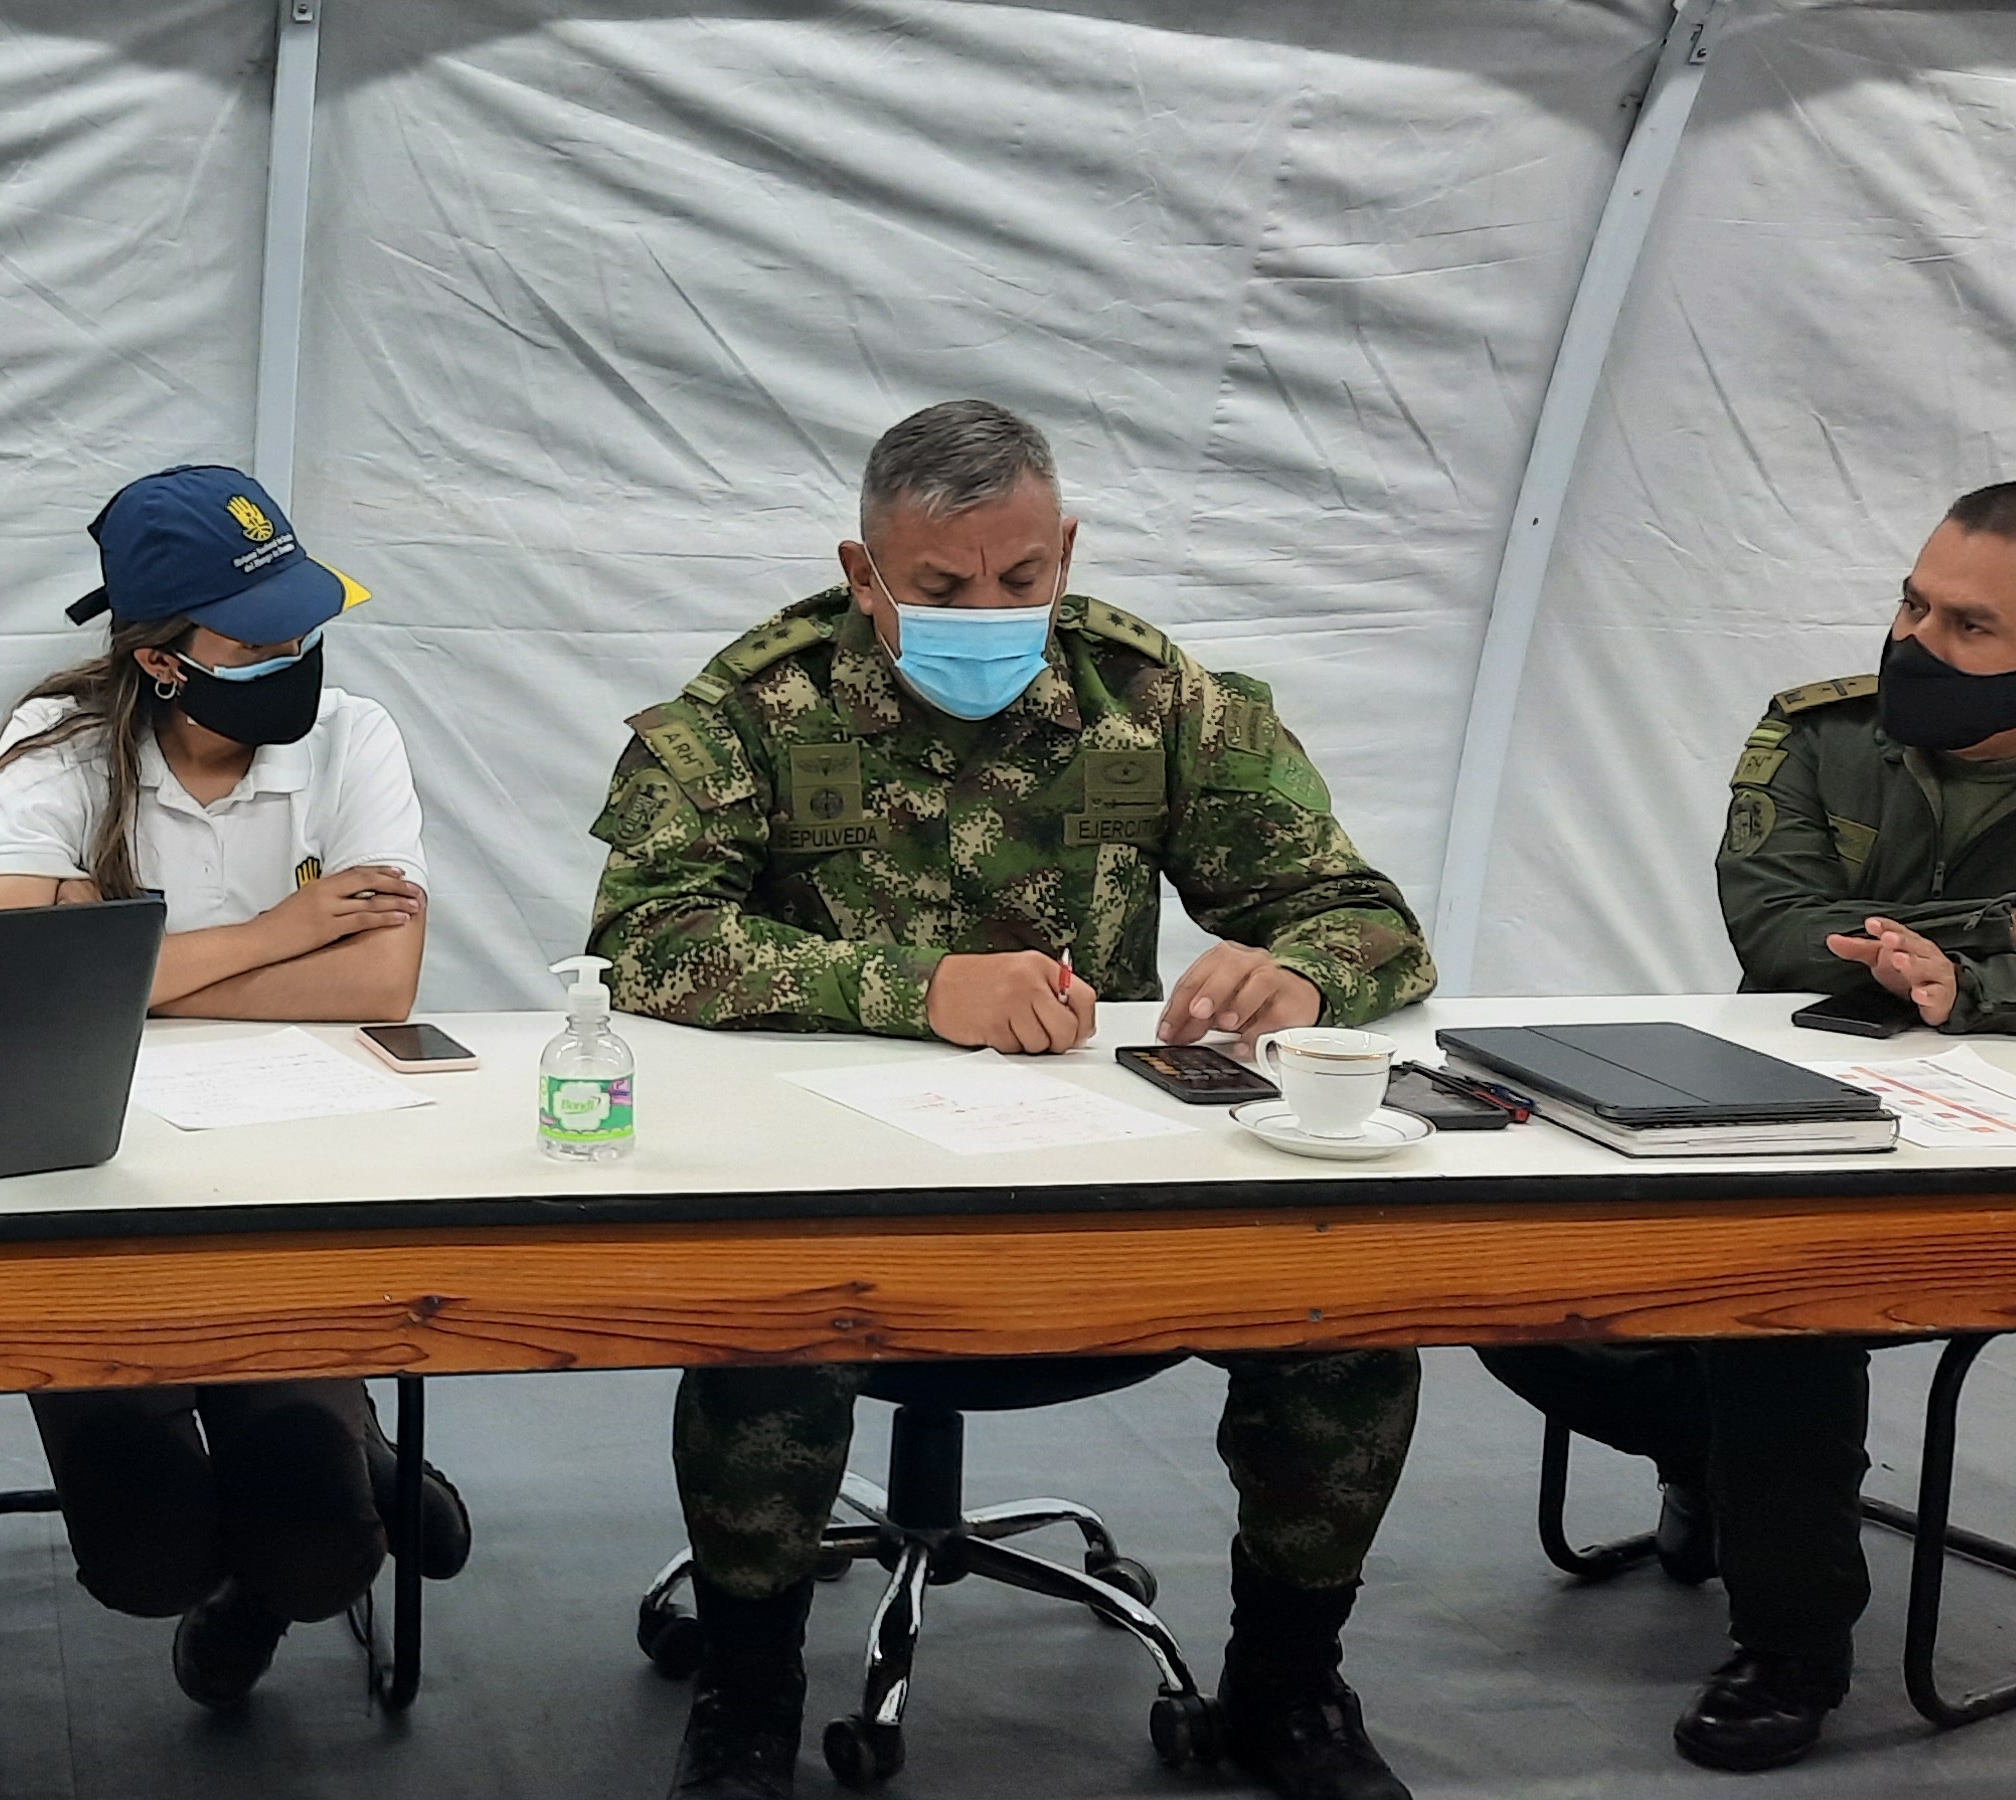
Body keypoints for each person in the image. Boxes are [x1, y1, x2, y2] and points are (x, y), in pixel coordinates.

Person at [585, 401, 1437, 1800]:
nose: (988, 612)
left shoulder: (1147, 697)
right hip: (837, 1178)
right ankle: (747, 1697)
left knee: (1344, 1324)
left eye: (1021, 577)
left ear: (1067, 553)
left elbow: (1363, 910)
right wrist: (919, 988)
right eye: (941, 586)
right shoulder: (756, 708)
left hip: (1099, 1181)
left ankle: (1288, 1689)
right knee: (765, 1330)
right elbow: (645, 939)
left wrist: (1299, 968)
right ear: (863, 574)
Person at [1478, 478, 2016, 1773]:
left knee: (1781, 1317)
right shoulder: (1818, 735)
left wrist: (1973, 989)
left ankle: (1789, 1648)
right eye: (1913, 604)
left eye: (1971, 626)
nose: (1917, 642)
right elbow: (1781, 935)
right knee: (1508, 1286)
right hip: (1793, 1120)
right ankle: (1722, 1464)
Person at [0, 464, 472, 1707]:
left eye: (303, 627)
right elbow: (4, 976)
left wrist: (115, 970)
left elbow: (381, 983)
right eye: (257, 640)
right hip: (90, 1183)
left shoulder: (354, 736)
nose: (296, 657)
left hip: (294, 1171)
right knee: (145, 1560)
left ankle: (309, 1512)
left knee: (314, 1556)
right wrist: (280, 931)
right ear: (159, 661)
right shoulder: (55, 746)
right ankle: (341, 1451)